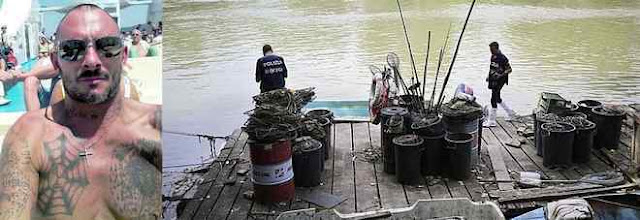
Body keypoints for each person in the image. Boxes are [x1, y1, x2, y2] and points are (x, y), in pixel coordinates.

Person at [0, 4, 161, 220]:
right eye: (72, 49)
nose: (92, 62)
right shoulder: (29, 136)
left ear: (123, 55)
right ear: (56, 60)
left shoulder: (157, 126)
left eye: (108, 46)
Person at [483, 41, 516, 127]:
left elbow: (509, 69)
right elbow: (491, 68)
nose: (491, 51)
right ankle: (510, 112)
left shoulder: (502, 58)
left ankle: (492, 121)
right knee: (497, 98)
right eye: (490, 49)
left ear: (496, 48)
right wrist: (488, 76)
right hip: (493, 79)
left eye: (492, 49)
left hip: (500, 80)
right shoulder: (493, 57)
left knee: (493, 98)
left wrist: (501, 75)